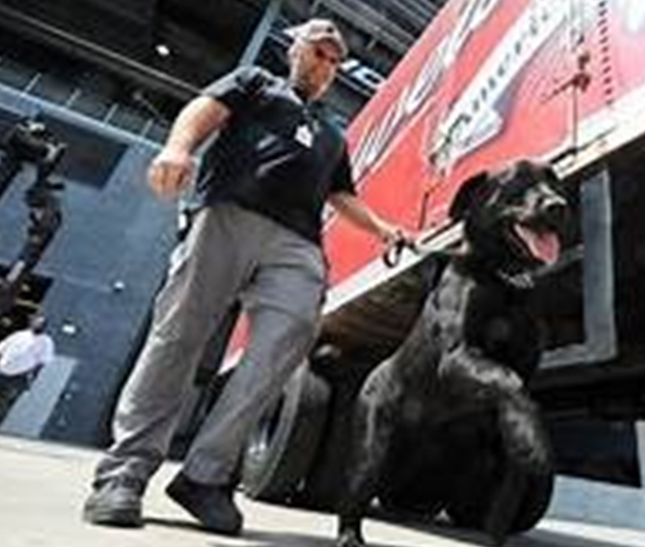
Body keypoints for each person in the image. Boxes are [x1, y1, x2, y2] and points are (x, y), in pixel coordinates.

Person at [83, 18, 412, 535]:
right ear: (295, 49)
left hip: (296, 240)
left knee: (291, 332)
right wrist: (177, 148)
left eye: (333, 59)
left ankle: (205, 477)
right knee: (178, 337)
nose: (325, 65)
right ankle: (123, 474)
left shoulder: (332, 135)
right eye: (318, 51)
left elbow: (341, 195)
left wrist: (382, 228)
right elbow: (203, 110)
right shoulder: (255, 83)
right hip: (229, 211)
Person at [0, 314, 55, 423]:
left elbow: (42, 362)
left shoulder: (46, 342)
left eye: (41, 324)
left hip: (19, 376)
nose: (38, 325)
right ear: (31, 324)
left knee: (4, 402)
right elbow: (2, 347)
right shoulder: (19, 335)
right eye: (37, 322)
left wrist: (31, 378)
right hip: (2, 370)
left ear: (44, 327)